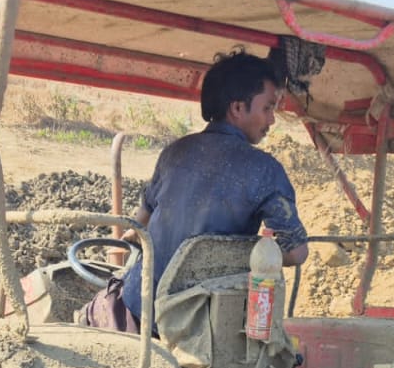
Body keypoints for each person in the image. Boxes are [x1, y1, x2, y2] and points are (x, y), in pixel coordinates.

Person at [79, 48, 309, 333]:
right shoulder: (265, 170)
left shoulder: (174, 152)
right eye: (268, 108)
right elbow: (296, 253)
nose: (272, 120)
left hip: (141, 312)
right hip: (202, 327)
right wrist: (244, 254)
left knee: (88, 314)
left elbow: (141, 222)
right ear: (238, 108)